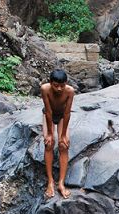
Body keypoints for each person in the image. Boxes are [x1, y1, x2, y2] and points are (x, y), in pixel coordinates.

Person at [41, 69, 74, 199]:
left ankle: (61, 183)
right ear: (50, 82)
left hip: (61, 116)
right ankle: (50, 182)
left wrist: (64, 134)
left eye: (62, 85)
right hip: (48, 114)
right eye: (56, 85)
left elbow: (67, 113)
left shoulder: (70, 91)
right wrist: (50, 133)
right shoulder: (45, 89)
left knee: (63, 145)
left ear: (66, 83)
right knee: (49, 144)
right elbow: (48, 112)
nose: (59, 89)